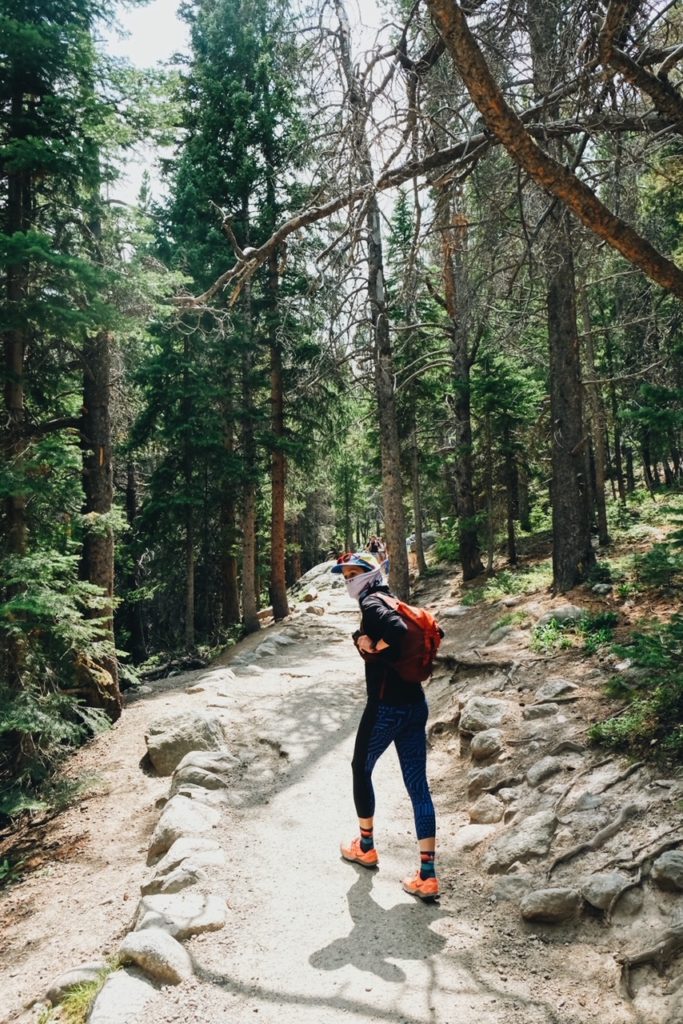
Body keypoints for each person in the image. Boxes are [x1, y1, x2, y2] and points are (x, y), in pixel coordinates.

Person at [331, 551, 439, 901]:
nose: (348, 579)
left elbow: (392, 631)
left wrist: (371, 644)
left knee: (360, 769)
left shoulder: (372, 604)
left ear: (370, 573)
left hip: (385, 708)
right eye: (344, 574)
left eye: (353, 573)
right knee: (418, 785)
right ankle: (427, 875)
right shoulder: (393, 600)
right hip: (415, 705)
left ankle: (366, 847)